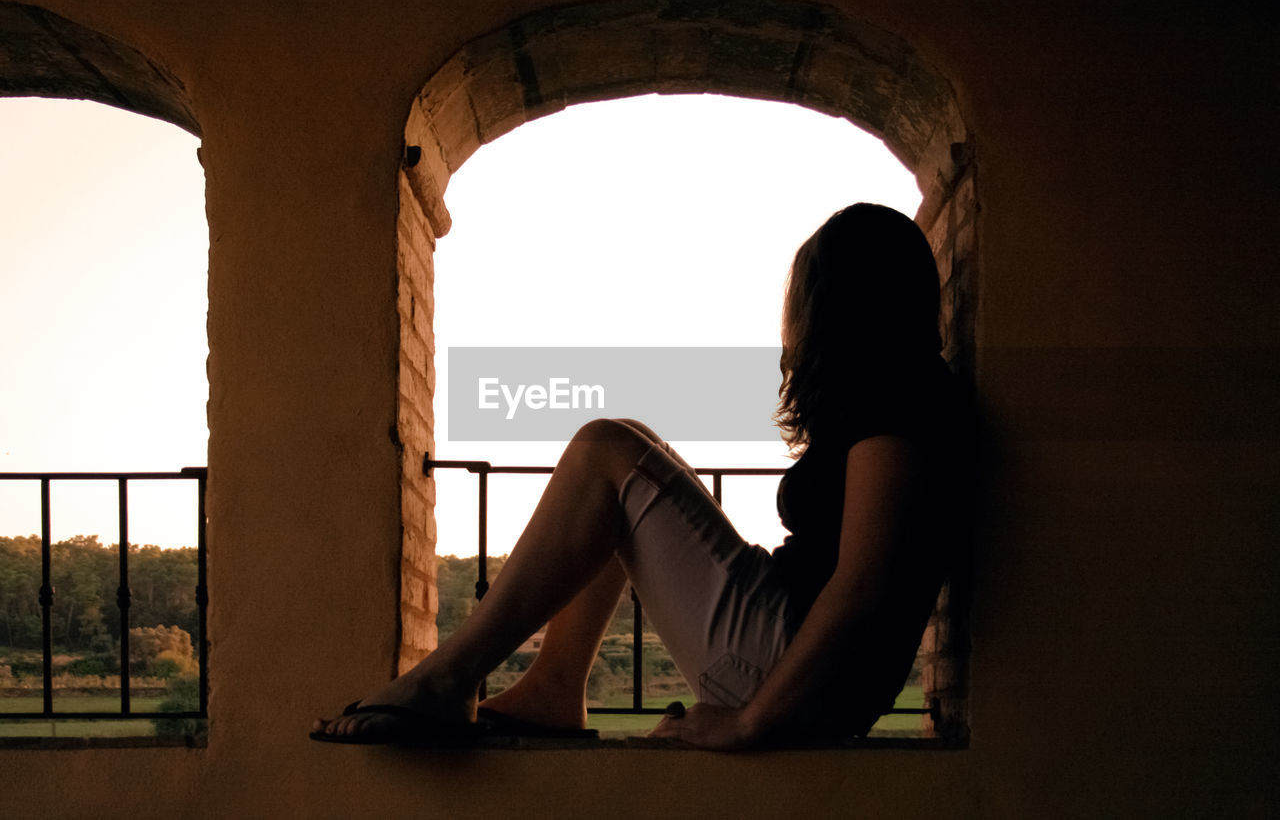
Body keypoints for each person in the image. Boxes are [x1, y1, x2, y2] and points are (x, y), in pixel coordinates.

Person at [311, 203, 969, 749]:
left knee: (607, 450)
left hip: (786, 665)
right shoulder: (905, 397)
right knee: (633, 457)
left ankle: (445, 681)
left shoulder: (904, 398)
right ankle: (552, 688)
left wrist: (749, 720)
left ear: (839, 302)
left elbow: (861, 591)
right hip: (793, 657)